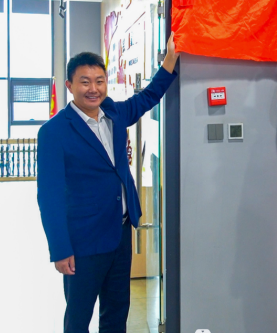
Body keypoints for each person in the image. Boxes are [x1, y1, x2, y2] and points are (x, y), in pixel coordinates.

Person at [37, 33, 179, 333]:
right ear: (70, 86)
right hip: (83, 242)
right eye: (85, 82)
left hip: (120, 233)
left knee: (116, 314)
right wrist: (60, 249)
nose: (93, 88)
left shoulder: (113, 112)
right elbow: (49, 197)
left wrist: (169, 60)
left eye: (99, 81)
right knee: (78, 319)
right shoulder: (54, 132)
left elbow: (148, 97)